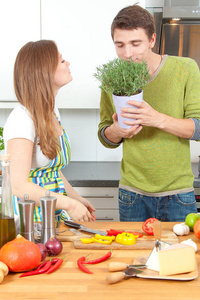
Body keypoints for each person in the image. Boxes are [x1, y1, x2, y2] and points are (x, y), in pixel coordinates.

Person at [98, 4, 200, 222]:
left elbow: (198, 128)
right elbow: (105, 136)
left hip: (179, 194)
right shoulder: (112, 78)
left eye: (136, 44)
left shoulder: (186, 69)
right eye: (120, 45)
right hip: (132, 195)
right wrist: (117, 131)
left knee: (182, 256)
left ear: (152, 40)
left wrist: (157, 119)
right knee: (135, 257)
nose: (128, 54)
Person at [3, 40, 96, 225]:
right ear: (44, 71)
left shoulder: (51, 112)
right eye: (61, 61)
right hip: (30, 220)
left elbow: (52, 171)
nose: (67, 63)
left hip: (49, 214)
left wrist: (77, 199)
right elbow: (19, 186)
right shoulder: (22, 119)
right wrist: (69, 205)